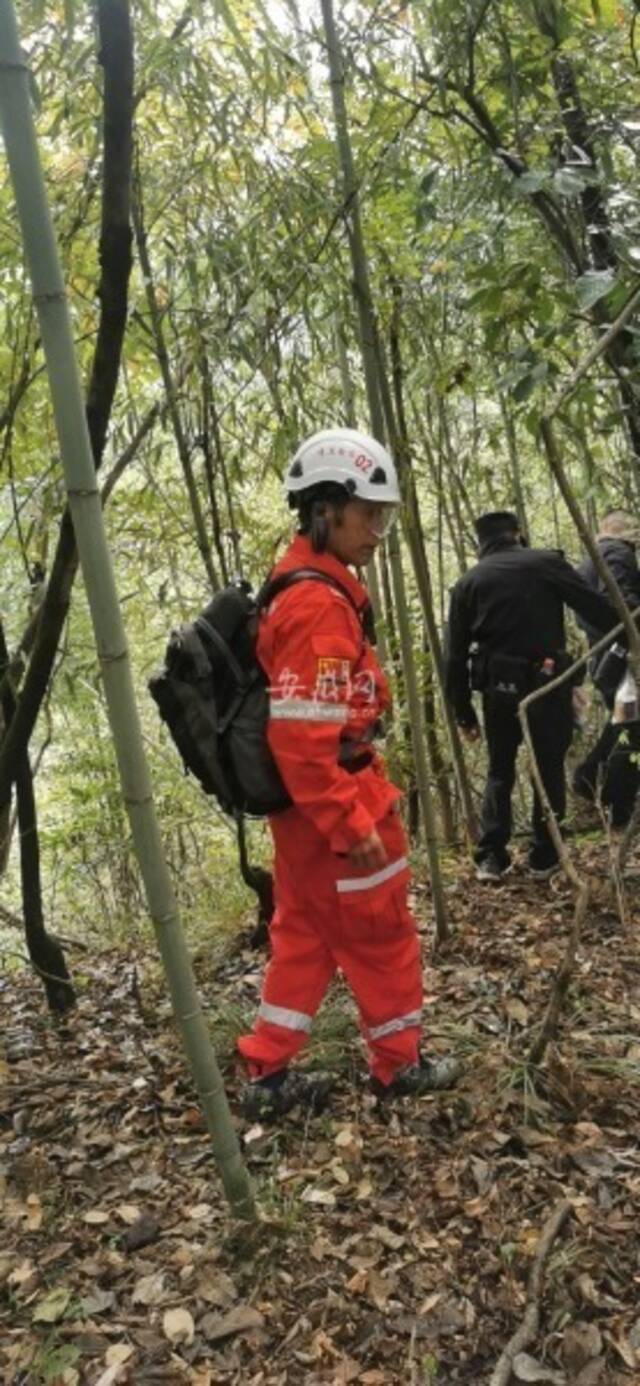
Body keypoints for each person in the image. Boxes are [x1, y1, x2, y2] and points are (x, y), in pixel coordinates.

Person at [237, 427, 460, 1118]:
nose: (377, 532)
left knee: (303, 936)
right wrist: (350, 821)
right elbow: (303, 739)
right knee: (382, 932)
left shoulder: (312, 590)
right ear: (327, 509)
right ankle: (399, 1067)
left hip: (307, 815)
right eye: (370, 515)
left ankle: (263, 1073)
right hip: (335, 805)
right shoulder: (316, 607)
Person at [444, 510, 617, 883]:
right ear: (518, 534)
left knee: (500, 769)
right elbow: (595, 608)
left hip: (498, 690)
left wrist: (463, 714)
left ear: (481, 545)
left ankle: (491, 857)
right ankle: (545, 855)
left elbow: (454, 657)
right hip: (547, 683)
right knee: (549, 765)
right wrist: (628, 629)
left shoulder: (468, 583)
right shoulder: (546, 563)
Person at [572, 511, 640, 827]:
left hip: (606, 656)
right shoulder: (616, 552)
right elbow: (620, 600)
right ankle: (618, 807)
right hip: (622, 657)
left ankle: (590, 777)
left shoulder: (592, 560)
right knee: (633, 728)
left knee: (626, 722)